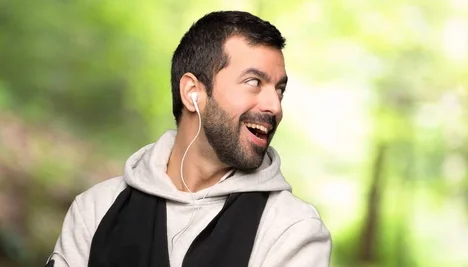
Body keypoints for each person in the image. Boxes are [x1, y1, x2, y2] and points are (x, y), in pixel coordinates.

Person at [45, 10, 332, 267]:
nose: (275, 106)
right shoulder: (95, 209)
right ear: (193, 93)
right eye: (254, 82)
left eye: (279, 90)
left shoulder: (292, 230)